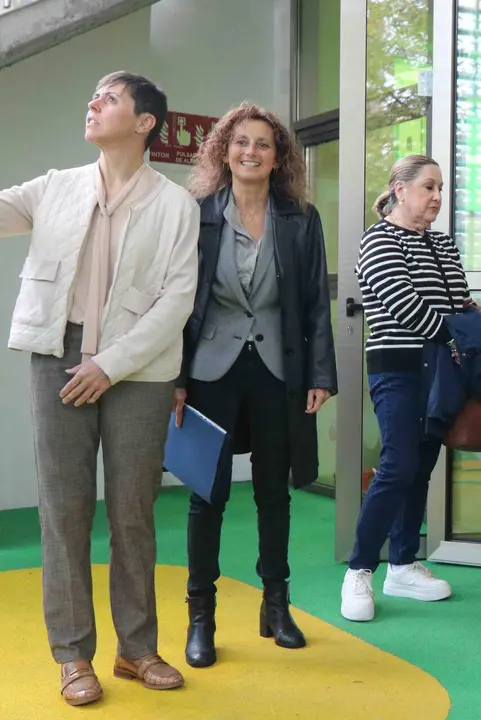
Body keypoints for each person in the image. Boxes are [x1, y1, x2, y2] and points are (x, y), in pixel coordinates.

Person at [0, 71, 197, 706]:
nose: (94, 104)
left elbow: (176, 302)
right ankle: (73, 656)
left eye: (109, 98)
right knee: (64, 512)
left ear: (145, 123)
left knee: (134, 513)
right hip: (57, 355)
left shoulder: (176, 205)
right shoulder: (55, 187)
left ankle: (136, 649)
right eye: (93, 96)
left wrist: (110, 363)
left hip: (138, 370)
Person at [177, 104, 337, 666]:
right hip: (208, 371)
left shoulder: (299, 218)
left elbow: (317, 301)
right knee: (207, 495)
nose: (251, 151)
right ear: (224, 150)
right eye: (241, 142)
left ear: (278, 157)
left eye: (263, 144)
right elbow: (174, 302)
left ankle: (276, 604)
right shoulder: (196, 214)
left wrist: (321, 373)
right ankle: (201, 617)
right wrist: (174, 379)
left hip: (278, 369)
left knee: (274, 492)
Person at [341, 155, 471, 623]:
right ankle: (359, 569)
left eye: (441, 189)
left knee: (421, 468)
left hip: (439, 372)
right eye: (428, 188)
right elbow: (402, 304)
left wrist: (474, 329)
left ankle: (402, 564)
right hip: (396, 369)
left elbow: (461, 300)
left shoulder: (443, 245)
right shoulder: (377, 240)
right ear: (400, 190)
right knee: (397, 466)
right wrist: (459, 336)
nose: (437, 197)